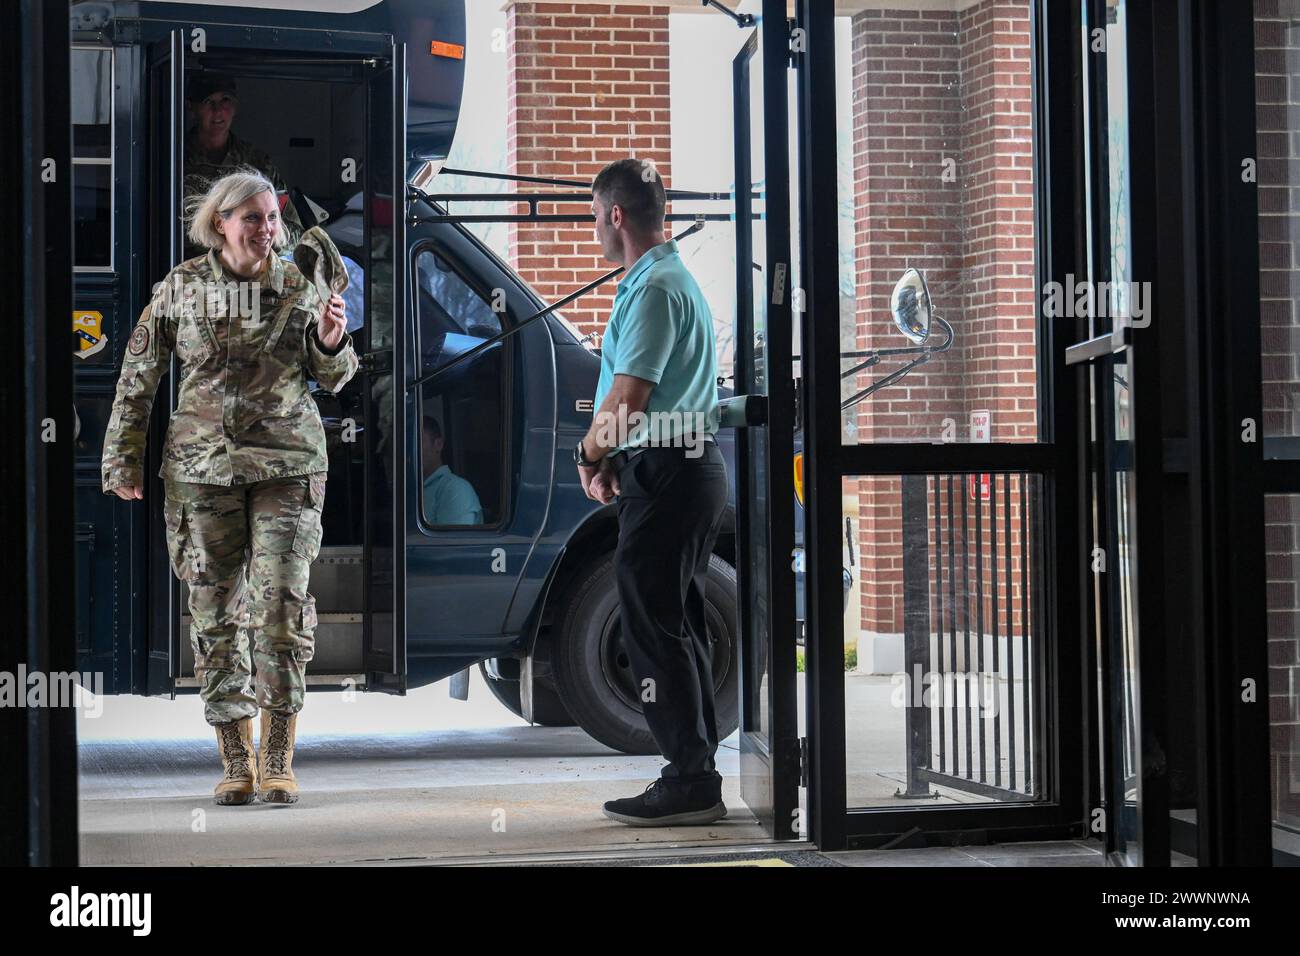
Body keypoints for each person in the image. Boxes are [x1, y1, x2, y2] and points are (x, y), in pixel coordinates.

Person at [101, 170, 358, 806]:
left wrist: (331, 341)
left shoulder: (301, 283)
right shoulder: (181, 288)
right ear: (221, 223)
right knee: (216, 617)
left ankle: (278, 755)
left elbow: (336, 374)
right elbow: (139, 377)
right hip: (201, 473)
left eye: (272, 217)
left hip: (287, 467)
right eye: (253, 218)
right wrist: (122, 461)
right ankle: (235, 758)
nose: (267, 229)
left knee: (280, 611)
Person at [575, 158, 729, 826]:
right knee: (674, 623)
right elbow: (640, 402)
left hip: (669, 475)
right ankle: (696, 772)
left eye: (593, 218)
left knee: (653, 630)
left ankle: (690, 779)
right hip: (674, 468)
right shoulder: (662, 280)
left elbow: (628, 396)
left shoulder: (655, 288)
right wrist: (619, 455)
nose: (594, 232)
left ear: (616, 215)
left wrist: (589, 451)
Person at [183, 72, 303, 254]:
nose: (218, 111)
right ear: (192, 106)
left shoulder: (258, 163)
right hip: (194, 275)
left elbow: (292, 233)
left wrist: (254, 241)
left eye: (225, 100)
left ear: (235, 106)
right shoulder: (173, 160)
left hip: (252, 276)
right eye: (208, 102)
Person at [420, 416, 484, 525]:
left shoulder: (455, 489)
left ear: (438, 445)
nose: (407, 452)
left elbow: (454, 541)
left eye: (416, 443)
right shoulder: (409, 490)